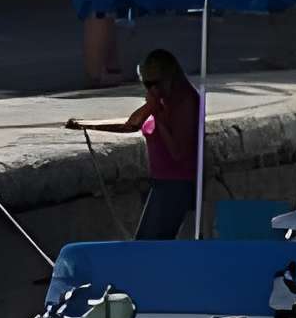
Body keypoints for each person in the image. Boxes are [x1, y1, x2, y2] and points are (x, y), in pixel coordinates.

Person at [68, 48, 203, 239]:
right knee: (147, 244)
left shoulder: (186, 102)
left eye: (153, 84)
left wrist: (158, 115)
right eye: (146, 84)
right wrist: (89, 126)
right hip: (162, 184)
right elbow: (132, 124)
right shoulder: (163, 100)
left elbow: (178, 152)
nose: (150, 89)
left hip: (176, 185)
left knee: (147, 246)